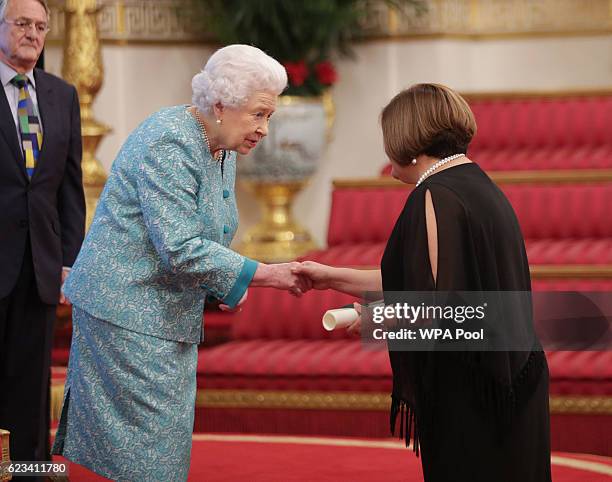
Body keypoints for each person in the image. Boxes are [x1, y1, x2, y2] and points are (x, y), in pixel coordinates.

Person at [51, 44, 310, 481]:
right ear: (222, 105)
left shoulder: (221, 144)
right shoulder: (170, 138)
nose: (265, 129)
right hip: (124, 315)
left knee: (161, 456)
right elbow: (181, 246)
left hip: (164, 317)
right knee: (146, 461)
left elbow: (206, 234)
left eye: (269, 116)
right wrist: (267, 275)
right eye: (259, 114)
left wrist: (219, 285)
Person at [295, 83, 551, 481]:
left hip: (472, 388)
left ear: (405, 139)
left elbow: (441, 305)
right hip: (513, 376)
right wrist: (329, 277)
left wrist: (375, 322)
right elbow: (416, 281)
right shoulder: (477, 184)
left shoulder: (434, 195)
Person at [0, 0, 84, 468]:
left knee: (31, 383)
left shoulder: (60, 95)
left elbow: (70, 191)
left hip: (40, 266)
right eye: (21, 24)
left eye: (40, 26)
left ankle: (27, 471)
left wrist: (71, 261)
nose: (32, 33)